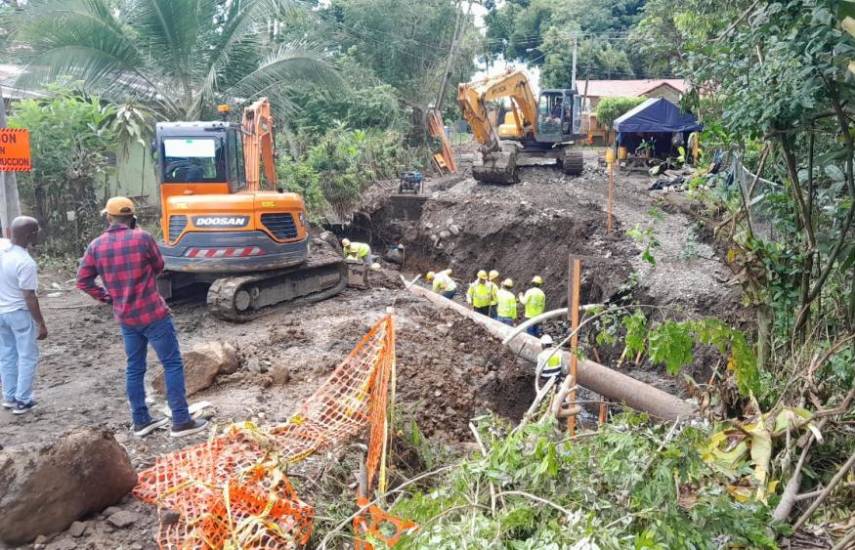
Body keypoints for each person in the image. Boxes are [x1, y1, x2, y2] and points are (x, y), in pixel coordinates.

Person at [77, 197, 207, 438]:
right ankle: (180, 420)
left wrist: (108, 297)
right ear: (132, 217)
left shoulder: (96, 246)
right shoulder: (143, 238)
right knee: (172, 363)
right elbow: (159, 266)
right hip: (153, 314)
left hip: (126, 317)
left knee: (135, 368)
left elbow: (83, 281)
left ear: (109, 217)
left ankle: (141, 421)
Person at [0, 217, 48, 415]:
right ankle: (23, 400)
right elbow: (29, 296)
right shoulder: (26, 262)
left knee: (7, 354)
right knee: (27, 355)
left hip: (1, 312)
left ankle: (10, 397)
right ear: (30, 235)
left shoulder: (2, 247)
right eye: (36, 231)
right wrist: (41, 323)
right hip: (18, 313)